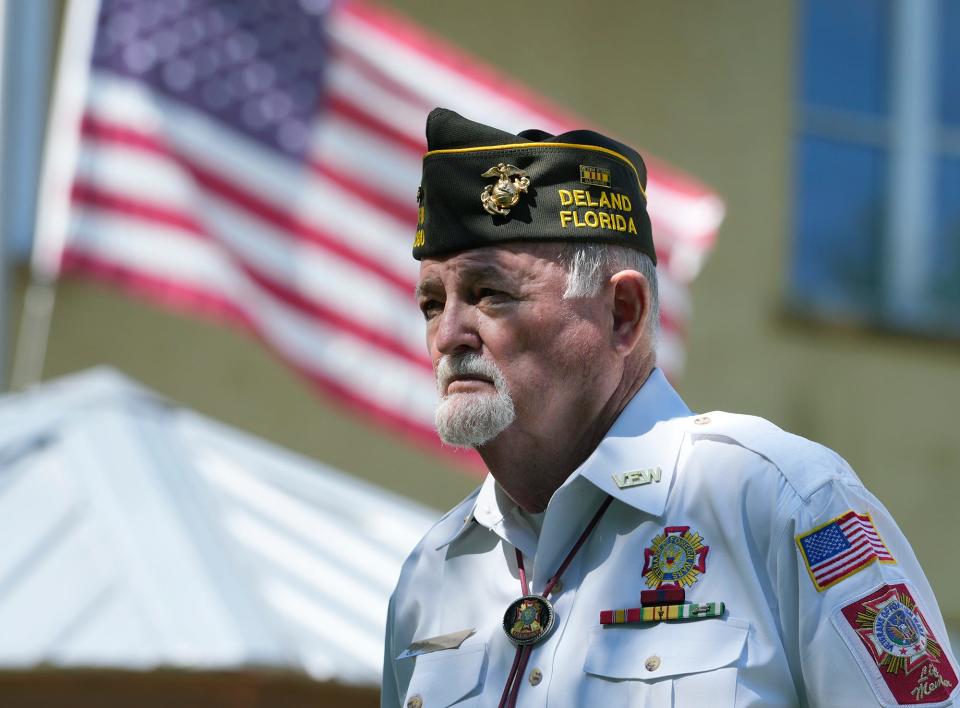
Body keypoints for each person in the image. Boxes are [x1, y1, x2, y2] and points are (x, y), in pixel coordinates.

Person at [381, 107, 958, 707]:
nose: (448, 334)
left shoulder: (782, 503)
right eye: (430, 303)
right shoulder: (433, 573)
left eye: (489, 294)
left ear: (621, 313)